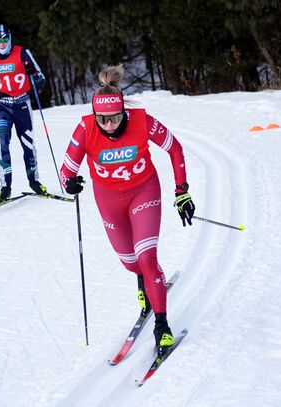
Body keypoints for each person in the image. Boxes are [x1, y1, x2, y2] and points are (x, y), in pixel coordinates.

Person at [59, 65, 195, 355]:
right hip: (109, 201)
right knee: (131, 262)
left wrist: (181, 191)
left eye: (115, 118)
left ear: (124, 111)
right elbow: (66, 170)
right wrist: (70, 183)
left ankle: (162, 326)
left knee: (147, 258)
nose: (109, 125)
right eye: (103, 120)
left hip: (143, 191)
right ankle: (142, 282)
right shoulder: (85, 128)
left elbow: (175, 148)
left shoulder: (142, 121)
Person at [0, 24, 47, 202]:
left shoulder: (23, 53)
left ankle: (34, 181)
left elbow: (41, 80)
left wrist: (33, 73)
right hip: (3, 106)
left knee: (28, 144)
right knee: (2, 142)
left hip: (22, 104)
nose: (1, 43)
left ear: (10, 37)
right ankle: (5, 186)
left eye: (4, 39)